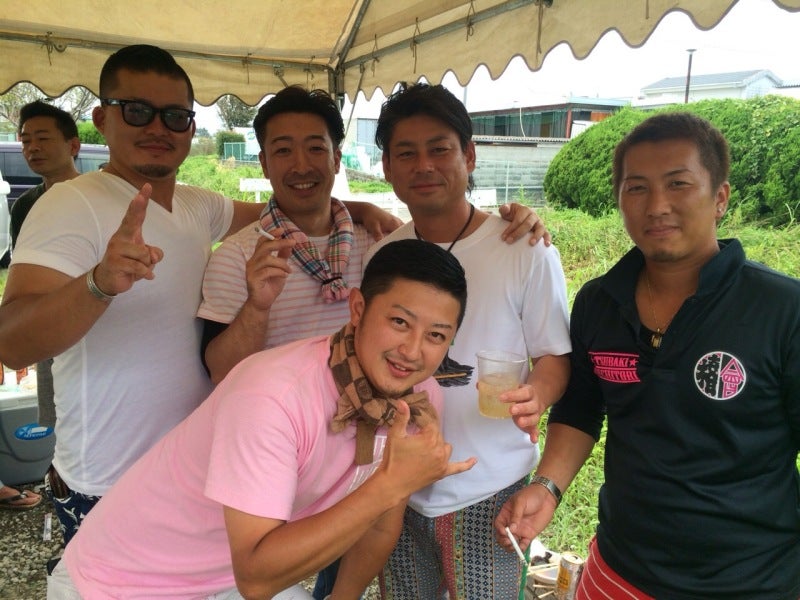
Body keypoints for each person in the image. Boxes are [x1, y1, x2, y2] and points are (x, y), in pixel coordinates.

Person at [0, 44, 398, 546]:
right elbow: (11, 343)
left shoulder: (196, 206)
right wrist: (98, 283)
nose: (157, 128)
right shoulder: (69, 204)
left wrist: (357, 209)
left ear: (190, 128)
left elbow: (291, 205)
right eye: (137, 111)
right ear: (101, 119)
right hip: (110, 475)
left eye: (174, 116)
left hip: (195, 466)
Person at [47, 239, 477, 600]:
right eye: (400, 322)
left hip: (226, 575)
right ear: (358, 308)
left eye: (436, 335)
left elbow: (381, 524)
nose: (413, 351)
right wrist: (390, 484)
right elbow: (257, 579)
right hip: (122, 580)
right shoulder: (273, 395)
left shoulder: (419, 400)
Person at [496, 112, 800, 599]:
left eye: (678, 184)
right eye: (637, 188)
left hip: (752, 580)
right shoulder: (599, 301)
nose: (657, 206)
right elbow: (582, 409)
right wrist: (547, 487)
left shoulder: (782, 309)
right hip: (619, 567)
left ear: (720, 197)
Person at [368, 83, 572, 599]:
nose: (424, 165)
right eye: (405, 153)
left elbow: (553, 355)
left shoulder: (524, 248)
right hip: (398, 483)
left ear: (470, 155)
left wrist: (537, 394)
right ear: (387, 167)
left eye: (439, 149)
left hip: (490, 487)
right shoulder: (384, 255)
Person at [199, 85, 544, 384]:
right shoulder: (238, 257)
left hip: (370, 430)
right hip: (280, 432)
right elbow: (220, 373)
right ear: (263, 163)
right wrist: (257, 307)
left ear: (337, 159)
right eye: (283, 151)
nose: (301, 166)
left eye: (316, 149)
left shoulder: (377, 243)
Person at [10, 100, 82, 431]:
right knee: (58, 418)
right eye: (26, 141)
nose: (33, 148)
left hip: (94, 323)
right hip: (48, 328)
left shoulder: (98, 197)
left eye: (43, 138)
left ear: (73, 145)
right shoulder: (25, 206)